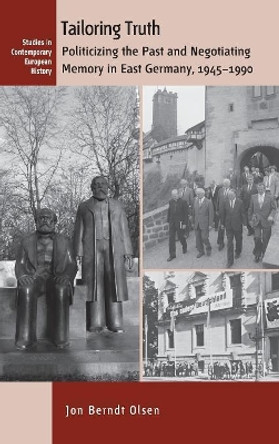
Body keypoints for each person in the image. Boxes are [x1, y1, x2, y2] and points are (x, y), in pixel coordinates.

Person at [73, 176, 134, 332]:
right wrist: (78, 252)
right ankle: (96, 322)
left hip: (114, 247)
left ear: (108, 187)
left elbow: (124, 229)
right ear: (92, 187)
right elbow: (78, 231)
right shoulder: (84, 206)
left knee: (113, 284)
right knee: (94, 285)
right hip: (91, 248)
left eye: (103, 185)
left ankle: (115, 322)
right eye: (97, 185)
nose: (101, 187)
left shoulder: (117, 205)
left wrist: (128, 252)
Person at [15, 208, 77, 350]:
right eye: (41, 218)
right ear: (36, 221)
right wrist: (23, 276)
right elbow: (20, 263)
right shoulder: (26, 241)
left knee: (61, 289)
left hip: (55, 277)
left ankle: (61, 337)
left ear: (54, 222)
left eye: (48, 218)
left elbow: (72, 264)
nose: (44, 220)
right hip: (34, 277)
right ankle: (25, 337)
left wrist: (66, 277)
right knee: (26, 289)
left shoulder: (65, 241)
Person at [248, 182, 277, 262]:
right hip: (256, 221)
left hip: (266, 221)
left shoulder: (270, 197)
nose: (260, 190)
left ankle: (264, 253)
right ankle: (257, 254)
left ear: (264, 189)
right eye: (258, 189)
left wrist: (271, 215)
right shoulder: (253, 197)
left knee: (265, 239)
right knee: (257, 238)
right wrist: (250, 220)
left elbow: (274, 208)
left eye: (261, 189)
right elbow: (250, 209)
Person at [220, 189, 246, 268]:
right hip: (229, 226)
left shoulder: (240, 202)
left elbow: (243, 214)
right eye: (228, 196)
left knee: (238, 240)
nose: (230, 197)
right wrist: (222, 224)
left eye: (231, 195)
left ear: (235, 194)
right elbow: (223, 214)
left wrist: (244, 224)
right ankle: (230, 261)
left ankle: (238, 252)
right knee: (229, 243)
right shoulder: (225, 202)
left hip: (238, 225)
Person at [167, 189, 188, 261]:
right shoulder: (170, 202)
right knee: (171, 238)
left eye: (175, 195)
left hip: (180, 222)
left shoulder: (183, 202)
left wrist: (185, 223)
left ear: (178, 195)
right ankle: (172, 255)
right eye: (173, 196)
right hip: (172, 222)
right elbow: (169, 211)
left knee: (181, 236)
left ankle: (184, 246)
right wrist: (168, 220)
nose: (174, 197)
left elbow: (186, 214)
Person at [193, 187, 214, 258]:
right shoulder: (195, 201)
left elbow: (211, 214)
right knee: (198, 238)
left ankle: (208, 247)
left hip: (205, 223)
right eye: (196, 194)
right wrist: (193, 222)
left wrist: (210, 224)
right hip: (197, 223)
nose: (197, 195)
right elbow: (194, 213)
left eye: (198, 194)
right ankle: (201, 251)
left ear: (202, 194)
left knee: (204, 237)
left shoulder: (208, 202)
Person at [216, 178, 231, 250]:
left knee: (229, 228)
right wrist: (217, 209)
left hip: (229, 213)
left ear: (229, 184)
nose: (225, 185)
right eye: (224, 184)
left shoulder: (232, 191)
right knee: (220, 228)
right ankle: (221, 242)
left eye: (227, 184)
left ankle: (229, 241)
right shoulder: (220, 190)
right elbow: (218, 200)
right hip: (221, 212)